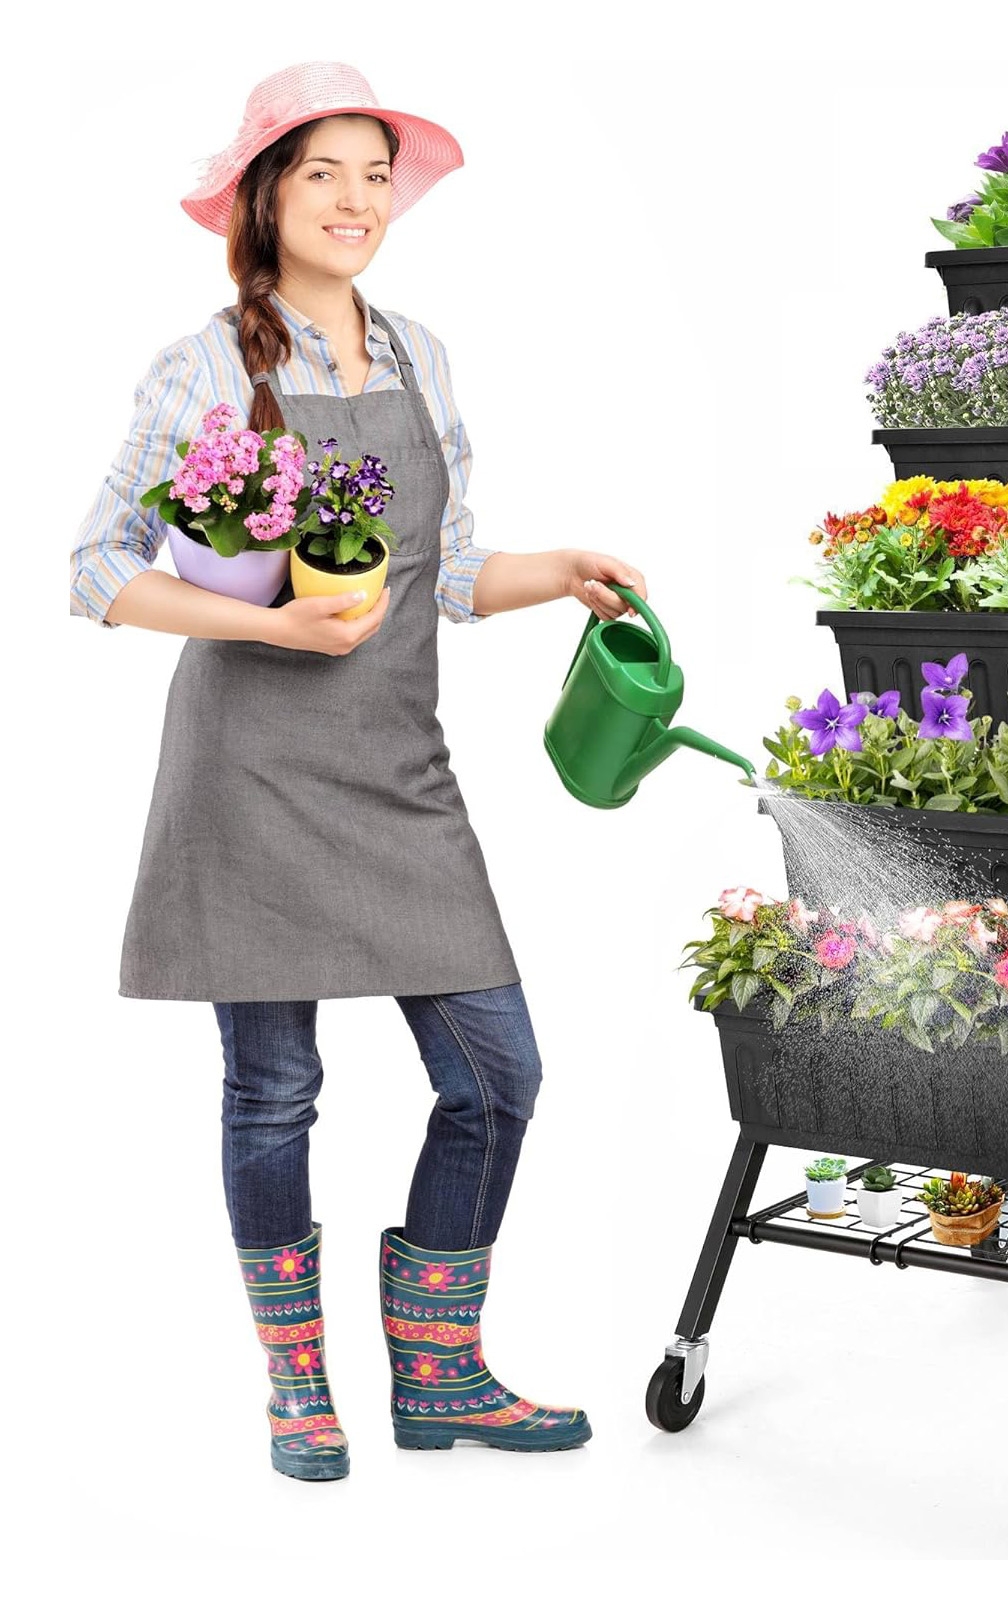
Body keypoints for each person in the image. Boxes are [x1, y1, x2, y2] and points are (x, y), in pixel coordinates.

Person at [68, 61, 643, 1481]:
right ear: (265, 193)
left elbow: (442, 576)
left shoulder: (421, 354)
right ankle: (299, 1389)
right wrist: (266, 620)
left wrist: (555, 569)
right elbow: (99, 573)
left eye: (374, 174)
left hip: (398, 767)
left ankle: (440, 1376)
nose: (355, 199)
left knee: (500, 1075)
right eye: (323, 170)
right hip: (249, 767)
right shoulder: (207, 364)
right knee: (275, 1091)